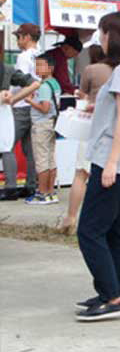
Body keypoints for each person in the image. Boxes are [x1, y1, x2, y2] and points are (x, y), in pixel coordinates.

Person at [75, 11, 120, 321]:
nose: (100, 39)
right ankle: (114, 289)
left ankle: (112, 296)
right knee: (115, 230)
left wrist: (111, 163)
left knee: (89, 231)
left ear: (112, 36)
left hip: (115, 161)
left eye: (102, 33)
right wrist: (99, 106)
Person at [58, 45, 113, 232]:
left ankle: (71, 218)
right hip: (113, 128)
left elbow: (83, 94)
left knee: (81, 173)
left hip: (91, 125)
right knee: (114, 175)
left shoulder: (91, 70)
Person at [1, 23, 41, 201]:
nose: (17, 40)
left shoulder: (24, 57)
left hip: (20, 107)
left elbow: (24, 83)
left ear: (27, 37)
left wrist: (13, 100)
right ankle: (31, 186)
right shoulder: (42, 54)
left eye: (18, 36)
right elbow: (42, 81)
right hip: (37, 107)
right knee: (30, 150)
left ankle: (10, 187)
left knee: (6, 145)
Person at [24, 53, 61, 205]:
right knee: (51, 159)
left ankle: (42, 193)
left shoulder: (44, 86)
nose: (37, 69)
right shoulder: (55, 83)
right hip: (52, 123)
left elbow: (44, 108)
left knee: (41, 160)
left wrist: (30, 101)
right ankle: (51, 192)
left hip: (41, 125)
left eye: (40, 65)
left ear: (50, 68)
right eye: (36, 65)